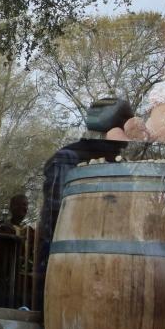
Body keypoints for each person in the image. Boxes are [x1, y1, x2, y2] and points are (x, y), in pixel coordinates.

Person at [32, 97, 133, 311]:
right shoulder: (71, 159)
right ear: (115, 129)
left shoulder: (112, 161)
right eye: (127, 126)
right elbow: (55, 215)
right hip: (72, 260)